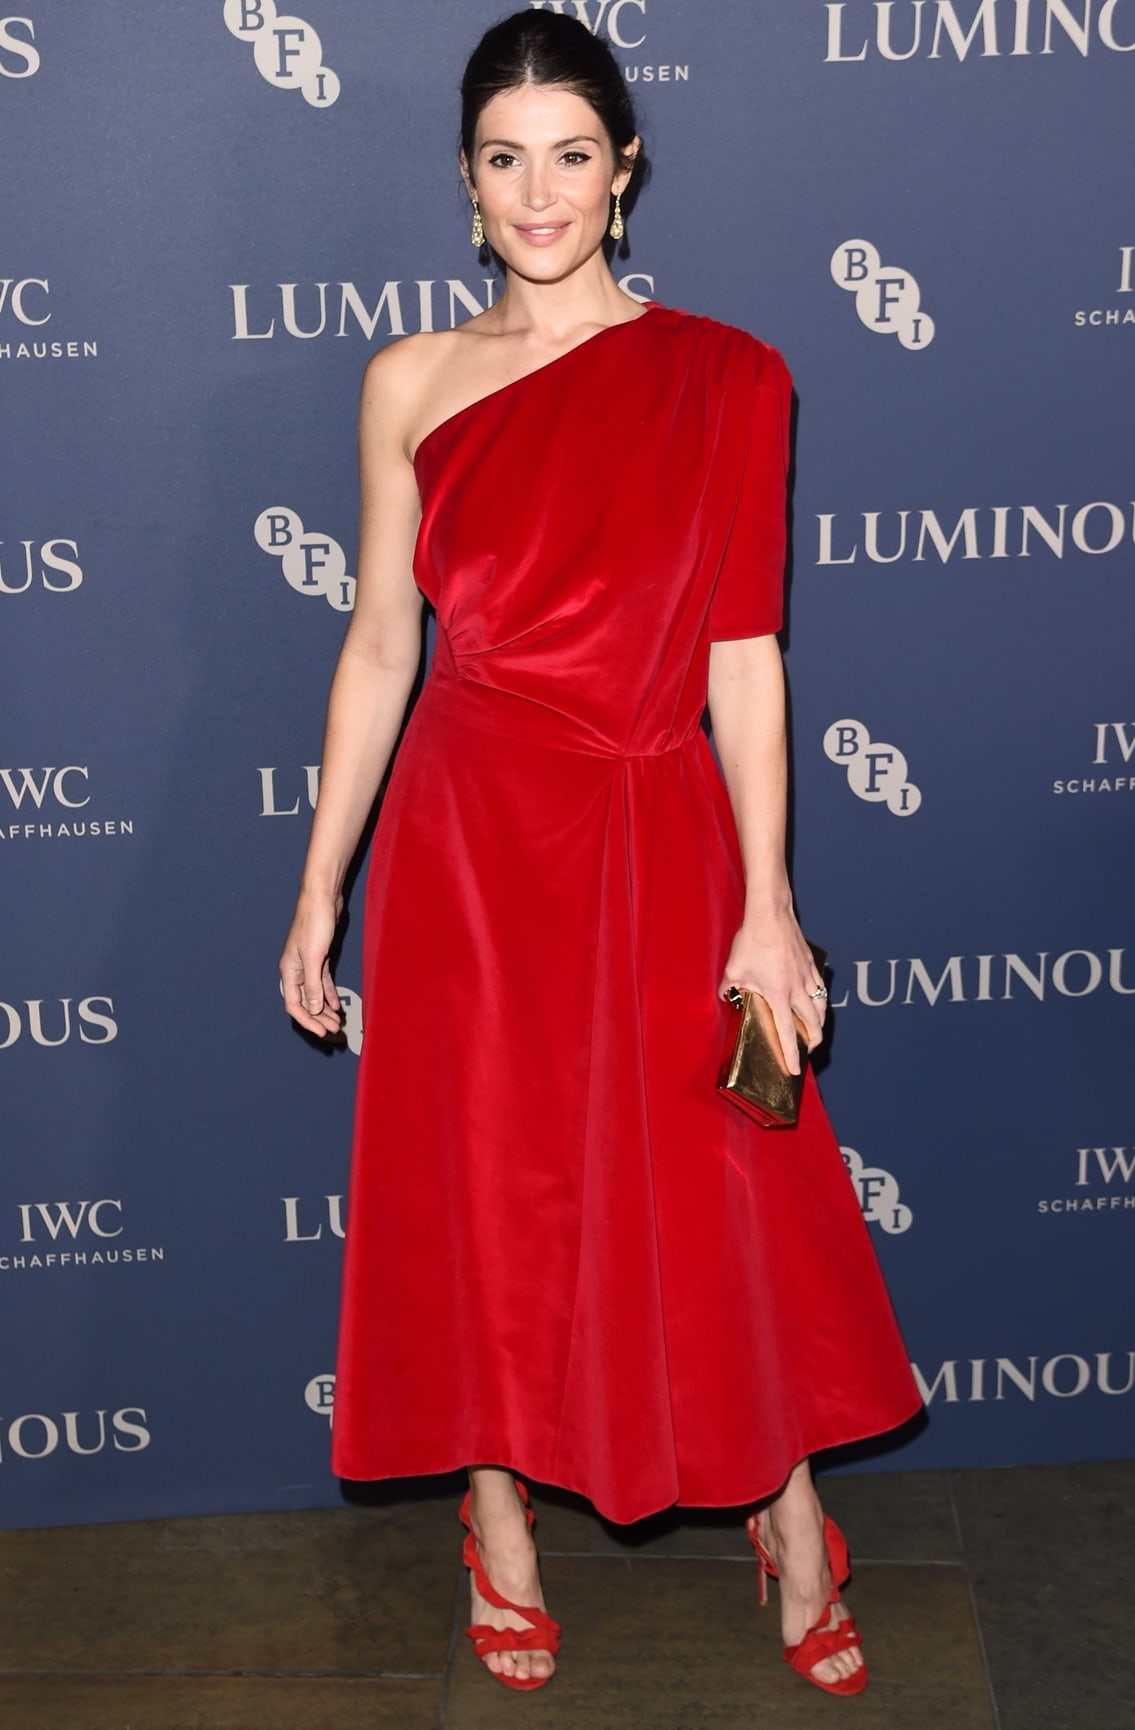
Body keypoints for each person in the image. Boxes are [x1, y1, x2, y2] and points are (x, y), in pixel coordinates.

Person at [279, 7, 921, 1700]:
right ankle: (497, 1523)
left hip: (657, 832)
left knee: (722, 1191)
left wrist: (769, 904)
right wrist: (320, 882)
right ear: (467, 182)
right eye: (506, 160)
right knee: (480, 1186)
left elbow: (743, 660)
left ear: (625, 172)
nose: (539, 191)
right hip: (470, 854)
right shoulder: (408, 380)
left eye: (574, 155)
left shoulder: (731, 376)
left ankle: (792, 1517)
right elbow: (376, 647)